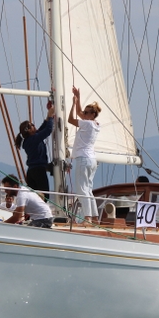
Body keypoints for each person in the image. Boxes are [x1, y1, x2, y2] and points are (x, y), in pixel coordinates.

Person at [68, 86, 101, 223]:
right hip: (92, 159)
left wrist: (72, 103)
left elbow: (71, 119)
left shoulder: (87, 124)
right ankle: (94, 217)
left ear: (92, 114)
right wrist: (78, 98)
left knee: (82, 189)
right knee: (88, 189)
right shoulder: (95, 124)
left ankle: (87, 218)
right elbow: (80, 113)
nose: (84, 113)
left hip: (83, 159)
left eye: (87, 112)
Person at [15, 100, 55, 200]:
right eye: (32, 125)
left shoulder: (29, 140)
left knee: (35, 198)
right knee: (44, 197)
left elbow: (41, 129)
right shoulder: (33, 139)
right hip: (38, 171)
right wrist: (50, 117)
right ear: (28, 130)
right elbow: (47, 130)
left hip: (32, 172)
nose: (34, 125)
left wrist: (47, 117)